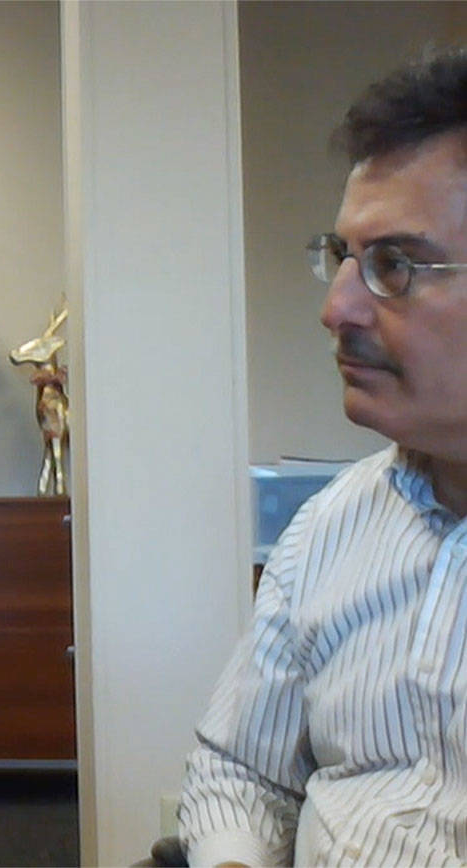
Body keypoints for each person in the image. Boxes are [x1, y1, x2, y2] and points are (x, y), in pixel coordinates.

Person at [178, 47, 467, 866]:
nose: (335, 308)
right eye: (342, 257)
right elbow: (239, 770)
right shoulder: (329, 528)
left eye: (394, 266)